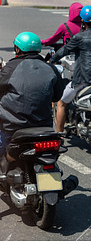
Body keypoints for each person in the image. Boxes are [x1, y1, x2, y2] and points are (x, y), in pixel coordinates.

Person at [0, 32, 64, 161]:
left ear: (17, 49)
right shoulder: (51, 68)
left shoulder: (10, 68)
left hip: (13, 126)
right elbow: (57, 96)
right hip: (44, 126)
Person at [49, 6, 91, 133]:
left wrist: (51, 60)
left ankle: (59, 135)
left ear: (82, 21)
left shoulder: (80, 37)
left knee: (61, 103)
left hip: (83, 80)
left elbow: (65, 50)